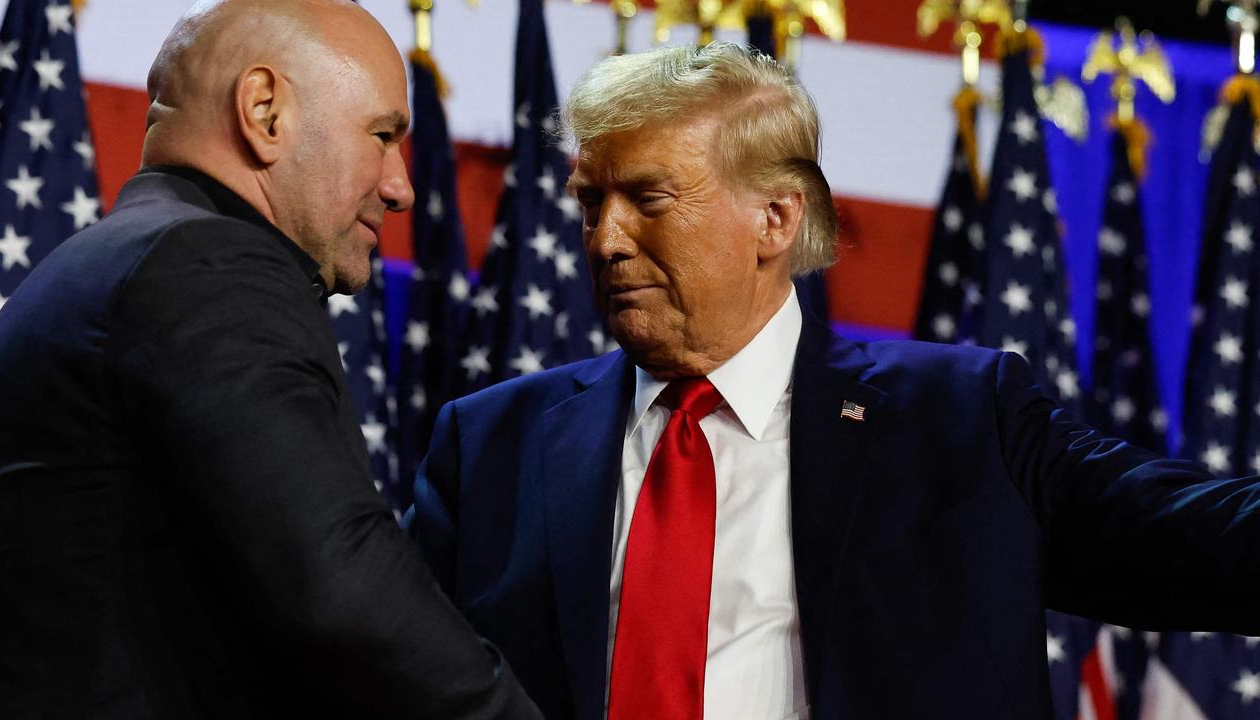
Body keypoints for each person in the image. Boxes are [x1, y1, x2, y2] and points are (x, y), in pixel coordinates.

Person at [411, 42, 1260, 720]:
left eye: (648, 200)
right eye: (591, 203)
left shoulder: (964, 423)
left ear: (774, 218)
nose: (604, 240)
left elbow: (1195, 541)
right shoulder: (490, 444)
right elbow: (375, 659)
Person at [0, 1, 541, 718]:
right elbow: (342, 588)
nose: (401, 186)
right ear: (265, 110)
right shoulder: (209, 265)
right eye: (381, 135)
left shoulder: (119, 258)